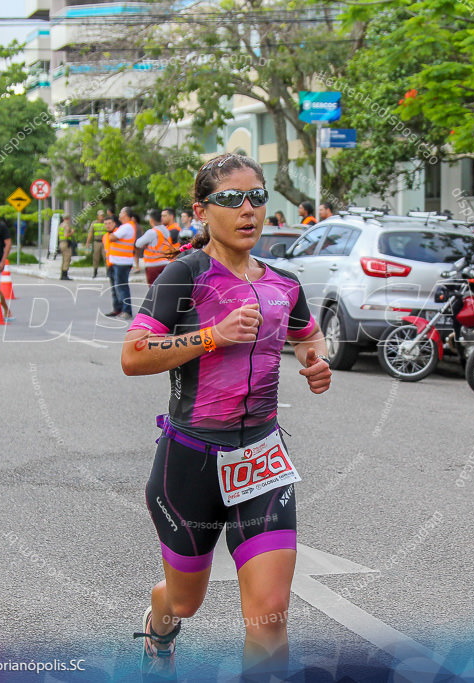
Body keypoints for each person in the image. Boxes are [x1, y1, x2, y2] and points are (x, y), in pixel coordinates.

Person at [121, 153, 332, 679]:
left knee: (269, 617)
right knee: (185, 601)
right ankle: (160, 621)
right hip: (190, 459)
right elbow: (134, 355)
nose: (248, 210)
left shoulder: (284, 283)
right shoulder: (184, 275)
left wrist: (316, 364)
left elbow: (308, 337)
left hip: (262, 458)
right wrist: (214, 336)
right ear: (201, 211)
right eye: (231, 199)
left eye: (257, 198)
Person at [109, 207, 137, 320]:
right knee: (120, 287)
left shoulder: (127, 226)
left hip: (122, 262)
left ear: (125, 214)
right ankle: (122, 309)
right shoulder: (125, 226)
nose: (119, 215)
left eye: (121, 212)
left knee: (122, 287)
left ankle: (127, 311)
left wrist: (112, 233)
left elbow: (112, 237)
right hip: (120, 261)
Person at [136, 209, 173, 285]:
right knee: (165, 287)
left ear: (151, 220)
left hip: (153, 265)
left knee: (154, 289)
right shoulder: (166, 231)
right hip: (166, 263)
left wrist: (145, 244)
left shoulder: (152, 232)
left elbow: (138, 244)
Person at [103, 215, 122, 317]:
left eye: (109, 223)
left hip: (118, 264)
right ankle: (116, 309)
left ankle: (123, 309)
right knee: (114, 289)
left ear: (114, 223)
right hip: (110, 264)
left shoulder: (118, 234)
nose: (108, 225)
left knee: (120, 288)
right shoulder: (105, 236)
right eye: (106, 224)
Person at [85, 210, 107, 278]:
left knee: (106, 257)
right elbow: (90, 233)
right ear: (98, 216)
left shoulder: (106, 223)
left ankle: (109, 272)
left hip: (104, 242)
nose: (102, 217)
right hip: (96, 242)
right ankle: (95, 272)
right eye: (100, 216)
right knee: (96, 257)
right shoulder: (94, 223)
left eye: (103, 216)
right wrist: (88, 242)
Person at [59, 215, 74, 281]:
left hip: (61, 243)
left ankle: (62, 274)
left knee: (64, 259)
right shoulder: (67, 226)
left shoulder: (61, 225)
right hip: (66, 243)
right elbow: (66, 235)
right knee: (67, 259)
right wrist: (71, 232)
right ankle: (65, 275)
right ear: (69, 219)